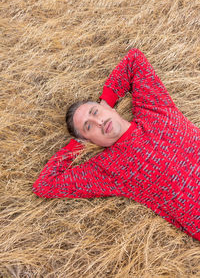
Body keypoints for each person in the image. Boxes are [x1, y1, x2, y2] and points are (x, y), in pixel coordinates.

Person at [33, 48, 200, 241]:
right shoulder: (107, 168)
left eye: (95, 112)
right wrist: (77, 145)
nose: (99, 122)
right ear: (89, 140)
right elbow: (45, 184)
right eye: (88, 127)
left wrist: (106, 100)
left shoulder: (154, 108)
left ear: (106, 108)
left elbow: (134, 60)